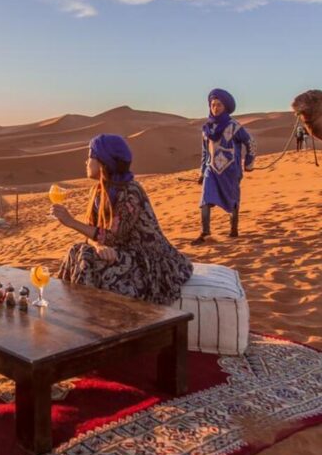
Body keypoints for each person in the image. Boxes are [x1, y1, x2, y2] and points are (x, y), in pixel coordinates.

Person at [52, 134, 193, 305]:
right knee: (76, 250)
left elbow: (111, 235)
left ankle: (85, 317)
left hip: (146, 262)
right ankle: (64, 305)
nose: (86, 162)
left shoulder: (130, 192)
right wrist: (99, 246)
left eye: (90, 156)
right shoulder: (98, 191)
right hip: (119, 252)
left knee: (86, 256)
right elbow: (94, 235)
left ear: (104, 161)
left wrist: (71, 222)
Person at [192, 89, 256, 245]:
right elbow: (205, 152)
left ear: (225, 107)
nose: (215, 108)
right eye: (213, 105)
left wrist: (249, 163)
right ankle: (205, 233)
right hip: (211, 169)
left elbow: (250, 142)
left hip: (231, 170)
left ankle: (233, 230)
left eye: (219, 105)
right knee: (205, 199)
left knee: (233, 200)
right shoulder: (207, 128)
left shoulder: (234, 126)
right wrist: (202, 172)